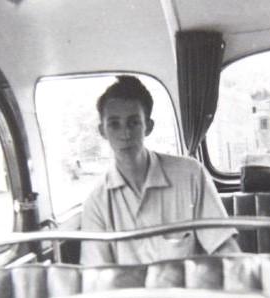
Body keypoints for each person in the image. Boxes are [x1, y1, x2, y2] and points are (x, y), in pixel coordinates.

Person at [80, 75, 240, 265]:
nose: (125, 134)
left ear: (148, 126)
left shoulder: (190, 174)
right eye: (114, 124)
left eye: (134, 122)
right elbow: (98, 279)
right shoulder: (96, 202)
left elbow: (225, 248)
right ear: (102, 131)